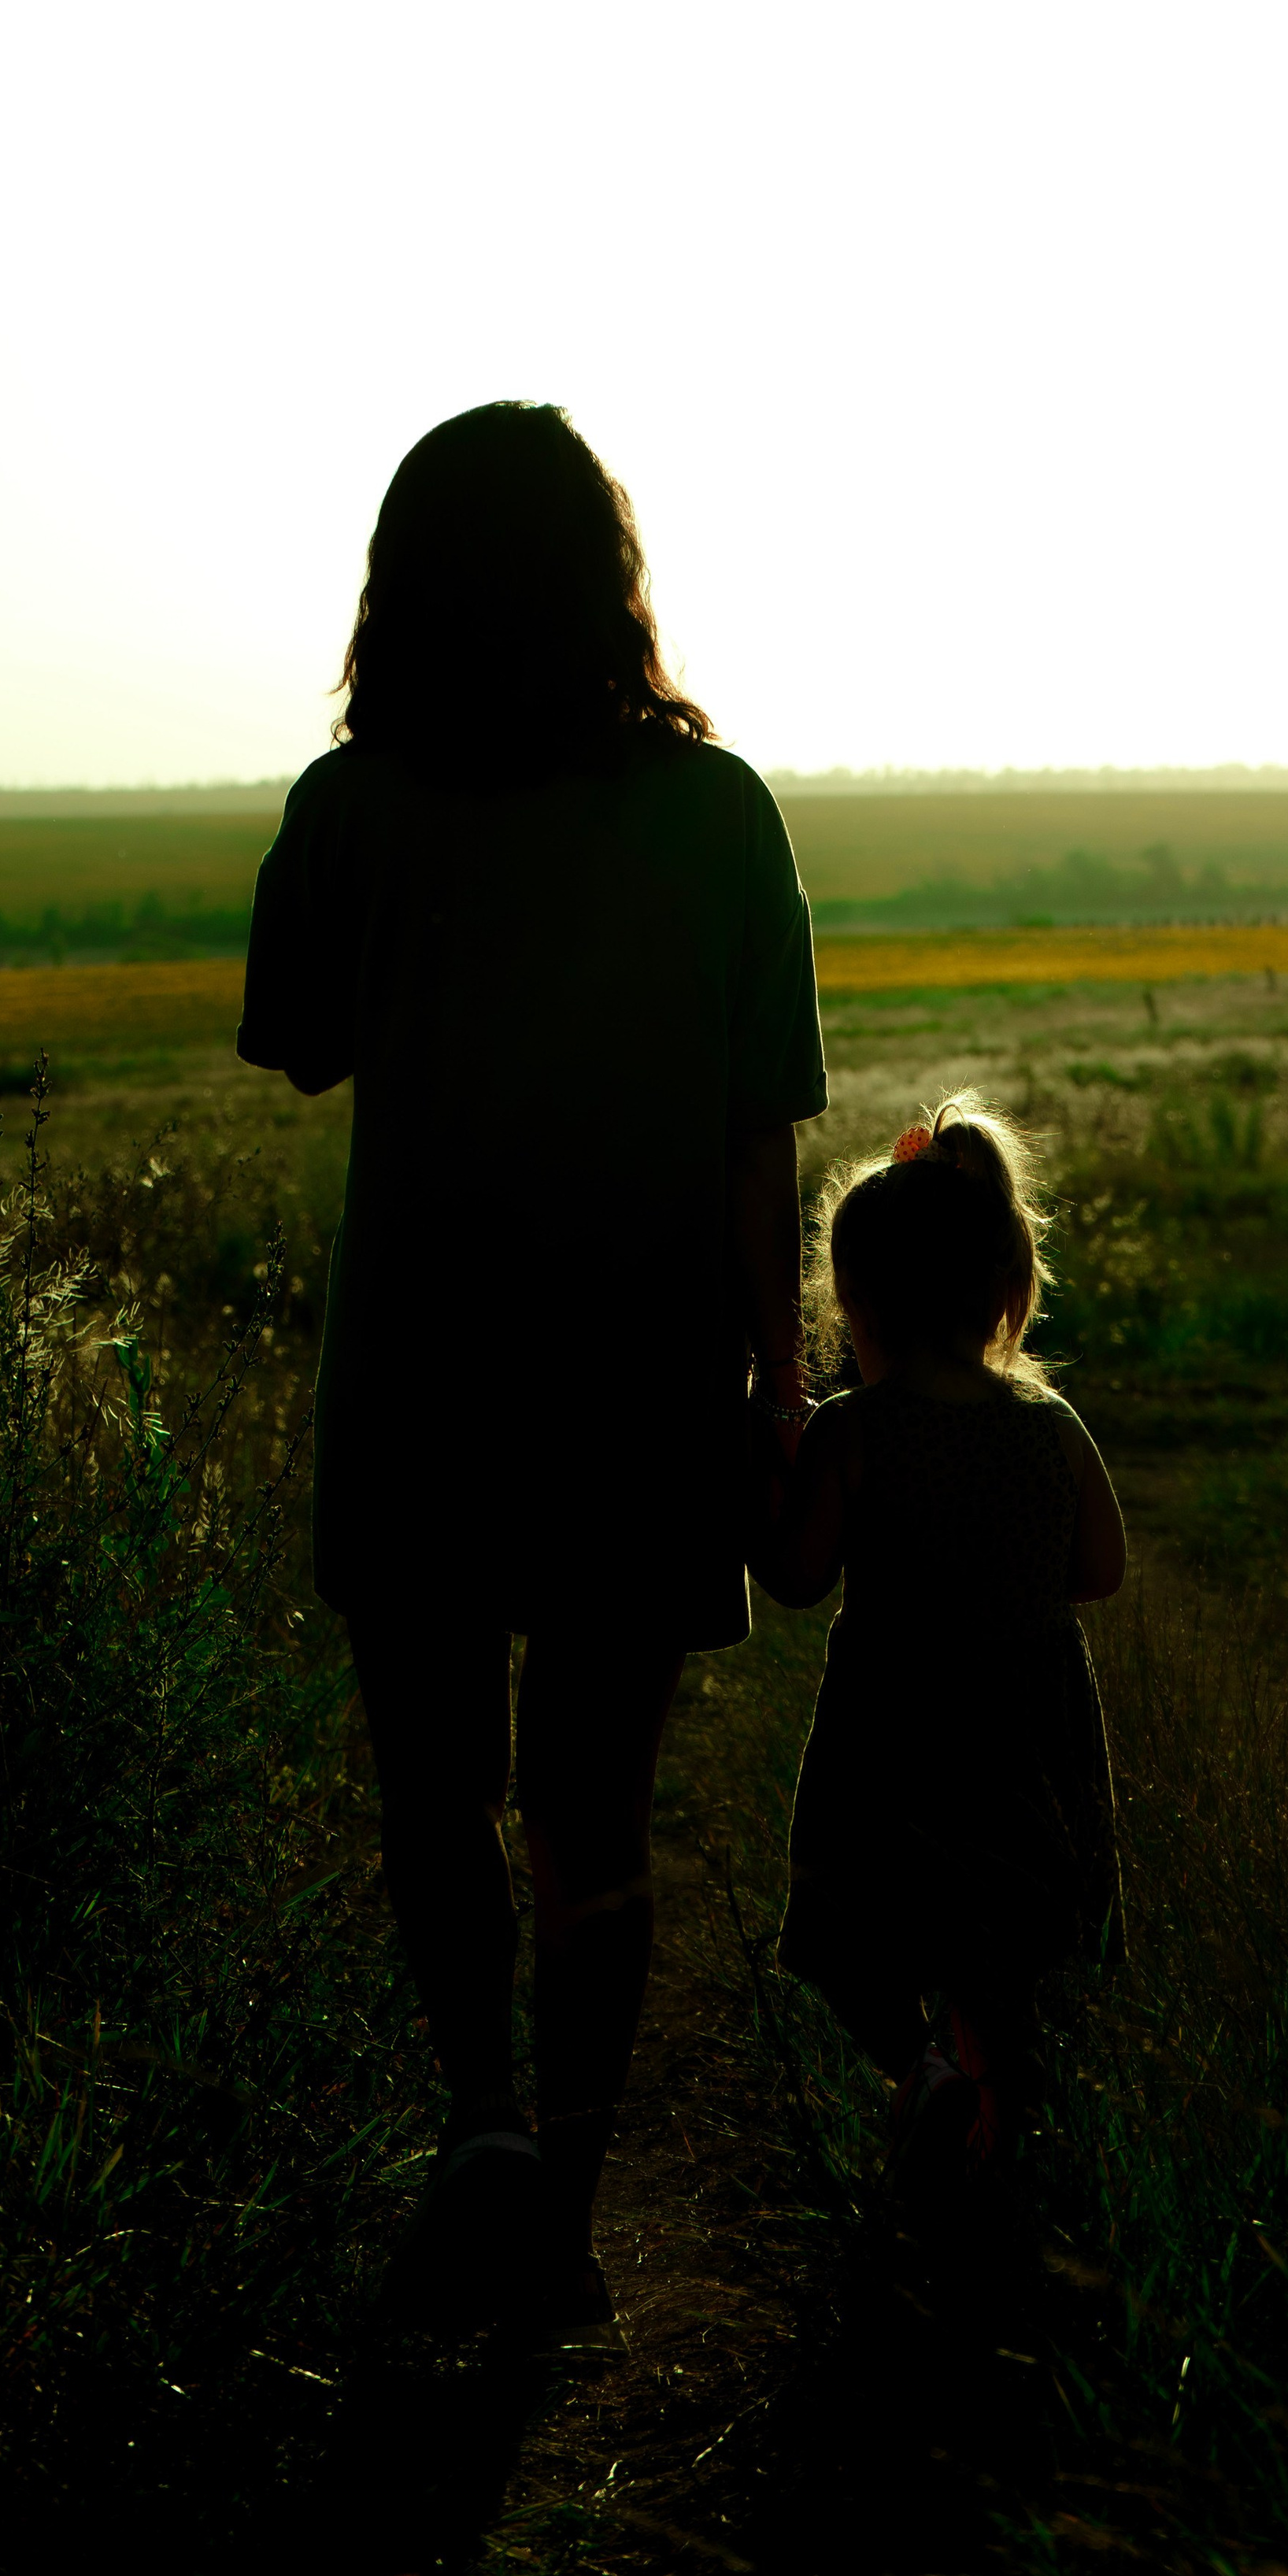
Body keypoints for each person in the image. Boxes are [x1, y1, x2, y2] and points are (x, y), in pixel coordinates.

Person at [238, 402, 827, 2341]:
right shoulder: (720, 814)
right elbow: (765, 1144)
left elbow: (300, 1046)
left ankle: (478, 2121)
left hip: (414, 1376)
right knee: (593, 1808)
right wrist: (778, 1388)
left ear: (398, 588)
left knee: (431, 1791)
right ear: (613, 580)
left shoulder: (350, 813)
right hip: (636, 1389)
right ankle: (560, 2204)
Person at [749, 1091, 1127, 2201]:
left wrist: (750, 1474)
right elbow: (1100, 1571)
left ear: (855, 1303)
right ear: (1006, 1289)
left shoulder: (853, 1433)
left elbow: (800, 1577)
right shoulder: (1047, 1425)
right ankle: (1004, 2170)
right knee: (1006, 1955)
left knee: (862, 1944)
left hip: (892, 1736)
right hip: (1026, 1733)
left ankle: (917, 2071)